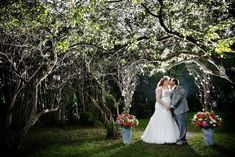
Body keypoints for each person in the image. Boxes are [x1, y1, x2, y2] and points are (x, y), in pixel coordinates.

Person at [141, 76, 180, 144]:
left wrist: (171, 104)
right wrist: (166, 105)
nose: (169, 81)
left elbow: (171, 94)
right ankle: (158, 136)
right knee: (161, 118)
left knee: (168, 119)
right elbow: (158, 99)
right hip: (161, 106)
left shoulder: (168, 87)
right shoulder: (159, 88)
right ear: (164, 81)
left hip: (169, 105)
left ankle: (169, 136)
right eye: (168, 80)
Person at [169, 78, 189, 145]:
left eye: (170, 80)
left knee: (182, 125)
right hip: (174, 110)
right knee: (178, 125)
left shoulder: (180, 89)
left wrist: (172, 106)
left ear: (174, 82)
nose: (169, 81)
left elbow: (178, 99)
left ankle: (183, 140)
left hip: (181, 109)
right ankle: (180, 138)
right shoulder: (172, 89)